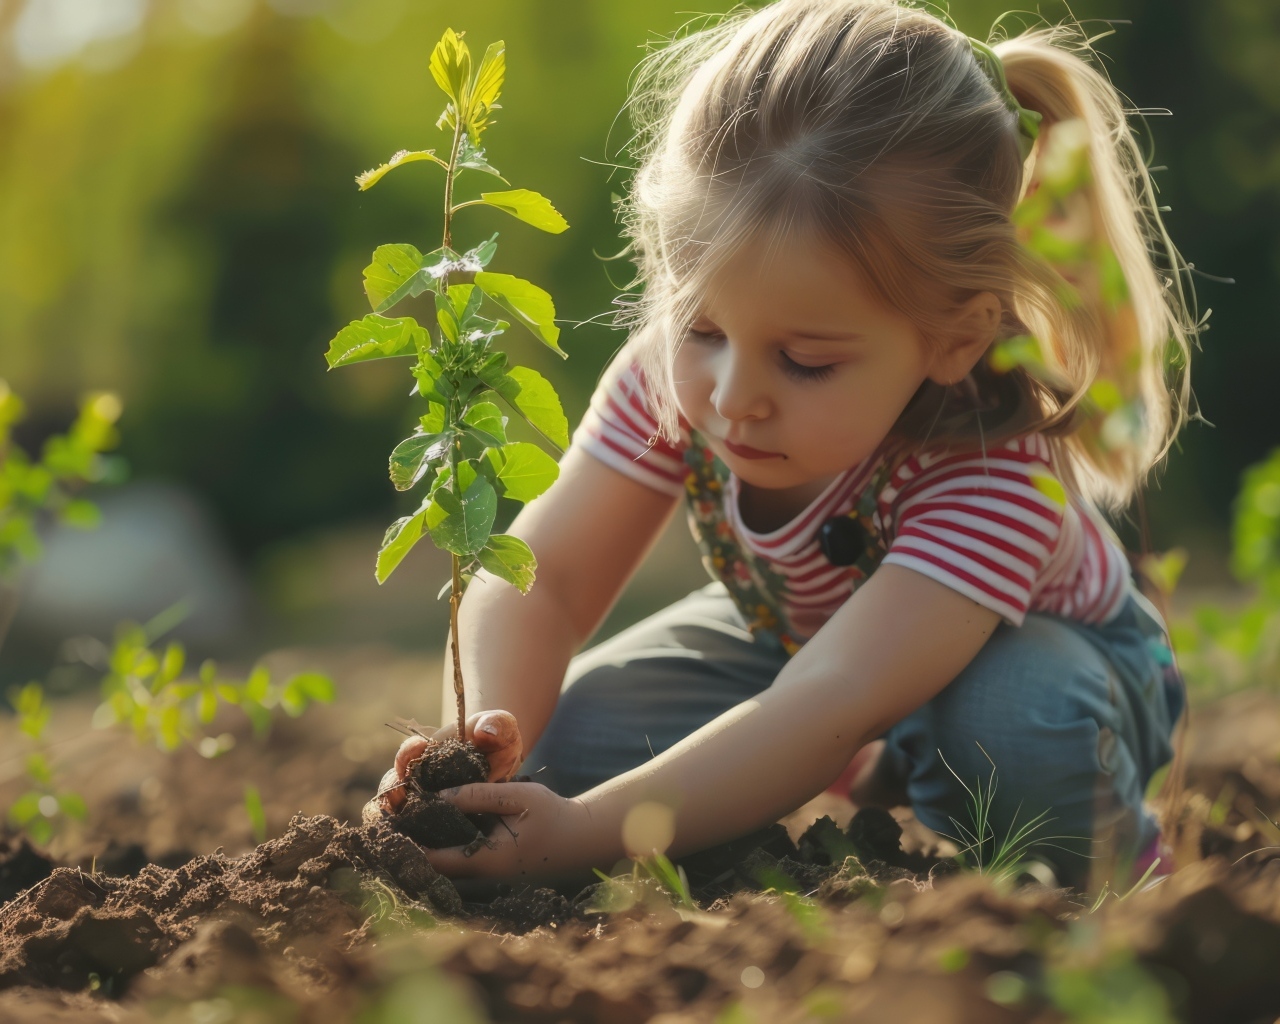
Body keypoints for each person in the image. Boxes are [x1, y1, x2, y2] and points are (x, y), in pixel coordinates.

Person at [383, 0, 1194, 891]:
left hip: (1046, 660)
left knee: (1013, 732)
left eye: (806, 362)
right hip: (813, 646)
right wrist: (486, 737)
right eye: (699, 328)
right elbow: (552, 574)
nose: (733, 399)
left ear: (954, 339)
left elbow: (829, 703)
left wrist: (583, 836)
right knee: (576, 743)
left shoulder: (996, 472)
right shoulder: (677, 376)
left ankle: (1118, 854)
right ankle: (888, 758)